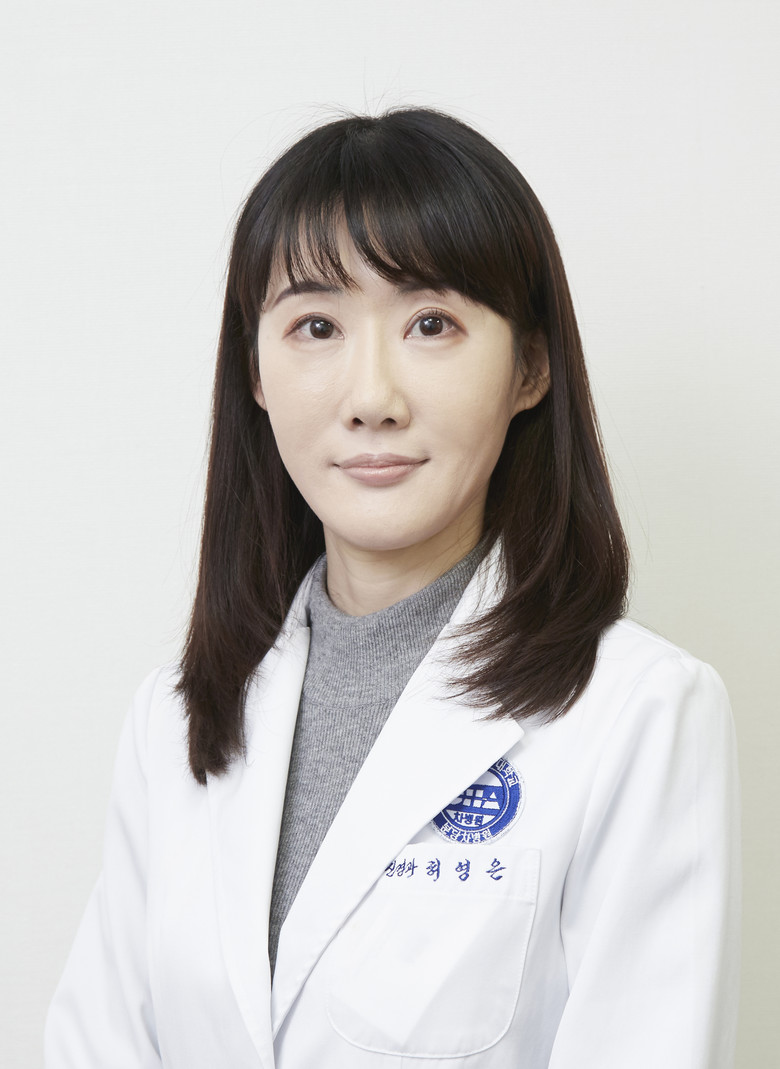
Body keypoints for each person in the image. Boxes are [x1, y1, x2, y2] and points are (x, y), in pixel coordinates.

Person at [44, 108, 741, 1068]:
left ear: (530, 367)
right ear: (255, 372)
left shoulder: (640, 713)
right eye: (316, 326)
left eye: (431, 324)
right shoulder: (174, 721)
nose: (372, 397)